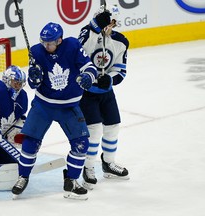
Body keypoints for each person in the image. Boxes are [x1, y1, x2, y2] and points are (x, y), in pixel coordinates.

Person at [11, 22, 97, 200]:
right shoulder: (36, 51)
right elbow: (34, 83)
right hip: (44, 105)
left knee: (81, 144)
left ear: (59, 40)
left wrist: (88, 76)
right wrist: (34, 78)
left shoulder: (72, 45)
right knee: (30, 143)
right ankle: (23, 177)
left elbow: (89, 67)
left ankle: (71, 180)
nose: (46, 46)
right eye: (43, 42)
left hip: (69, 106)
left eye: (49, 43)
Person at [78, 4, 129, 189]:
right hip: (87, 93)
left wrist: (110, 80)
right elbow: (80, 50)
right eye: (107, 22)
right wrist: (95, 26)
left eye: (113, 22)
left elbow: (120, 71)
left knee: (113, 126)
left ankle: (108, 163)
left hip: (106, 93)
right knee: (94, 131)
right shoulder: (87, 33)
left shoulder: (121, 41)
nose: (110, 26)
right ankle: (88, 167)